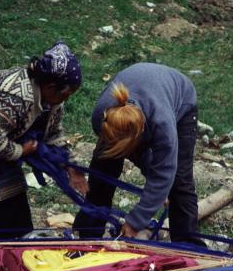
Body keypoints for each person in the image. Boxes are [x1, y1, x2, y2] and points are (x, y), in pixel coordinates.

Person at [74, 62, 204, 245]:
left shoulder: (162, 125)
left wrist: (136, 221)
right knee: (102, 172)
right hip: (139, 95)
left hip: (181, 98)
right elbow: (134, 155)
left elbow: (164, 171)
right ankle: (88, 234)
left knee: (179, 181)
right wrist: (155, 192)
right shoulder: (102, 117)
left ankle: (188, 245)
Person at [0, 41, 88, 240]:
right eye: (67, 94)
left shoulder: (53, 100)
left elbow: (53, 133)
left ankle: (16, 248)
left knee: (14, 196)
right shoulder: (15, 95)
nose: (67, 99)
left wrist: (70, 165)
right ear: (50, 87)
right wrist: (20, 151)